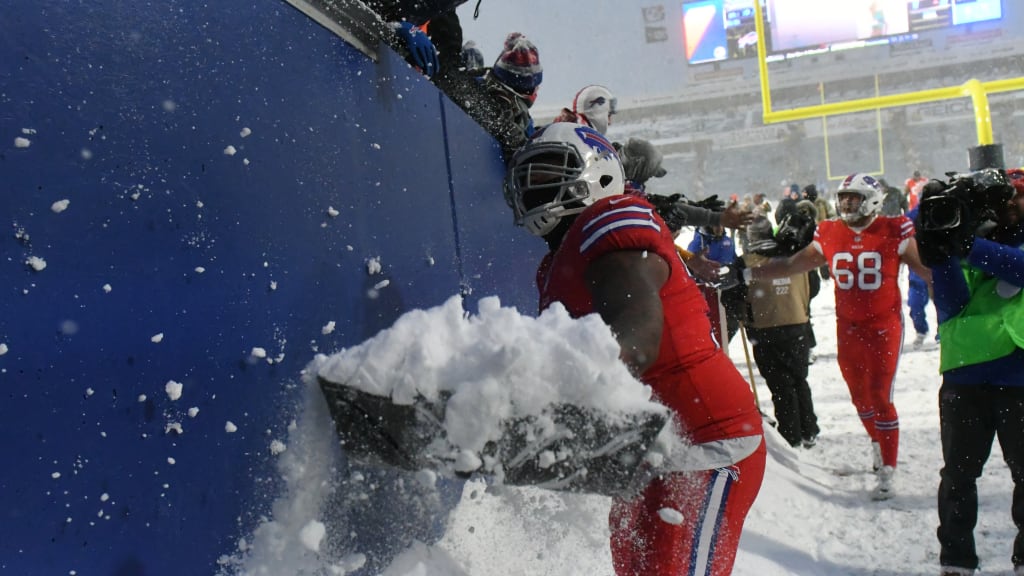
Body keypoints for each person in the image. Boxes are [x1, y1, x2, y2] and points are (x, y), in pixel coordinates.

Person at [504, 122, 765, 576]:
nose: (535, 186)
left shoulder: (611, 221)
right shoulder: (556, 262)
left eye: (549, 172)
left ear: (600, 173)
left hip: (707, 439)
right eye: (529, 176)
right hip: (648, 450)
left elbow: (639, 335)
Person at [742, 172, 932, 500]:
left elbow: (923, 270)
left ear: (871, 200)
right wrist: (747, 272)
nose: (846, 204)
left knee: (880, 396)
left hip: (884, 327)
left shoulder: (894, 229)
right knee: (860, 397)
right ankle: (877, 441)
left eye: (853, 198)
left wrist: (953, 290)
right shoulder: (830, 231)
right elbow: (792, 265)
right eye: (843, 198)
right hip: (848, 328)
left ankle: (888, 466)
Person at [913, 168, 1024, 576]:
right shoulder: (973, 240)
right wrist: (940, 252)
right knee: (958, 476)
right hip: (965, 376)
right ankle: (956, 561)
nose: (1012, 204)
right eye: (1005, 198)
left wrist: (968, 245)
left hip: (1018, 377)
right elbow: (953, 306)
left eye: (1020, 197)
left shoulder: (982, 245)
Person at [742, 215, 820, 448]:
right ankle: (809, 428)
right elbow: (813, 287)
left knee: (781, 386)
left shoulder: (748, 262)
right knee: (799, 379)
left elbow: (734, 295)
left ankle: (791, 434)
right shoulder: (796, 257)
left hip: (765, 330)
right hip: (798, 324)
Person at [688, 224, 743, 343]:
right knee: (714, 327)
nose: (720, 228)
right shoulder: (698, 244)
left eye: (723, 226)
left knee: (731, 324)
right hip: (710, 294)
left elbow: (734, 261)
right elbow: (693, 269)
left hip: (729, 291)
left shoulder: (728, 241)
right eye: (716, 225)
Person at [905, 203, 933, 348]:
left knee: (945, 304)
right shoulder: (912, 216)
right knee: (915, 304)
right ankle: (921, 330)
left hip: (939, 265)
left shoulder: (947, 211)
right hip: (918, 267)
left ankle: (943, 333)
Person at [552, 84, 618, 135]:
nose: (609, 122)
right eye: (608, 115)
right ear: (597, 111)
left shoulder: (579, 130)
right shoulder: (572, 129)